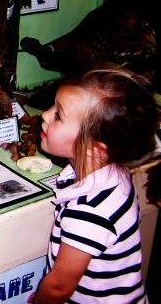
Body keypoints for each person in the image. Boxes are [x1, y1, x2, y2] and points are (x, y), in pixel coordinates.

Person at [30, 65, 160, 304]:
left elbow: (59, 287)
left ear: (93, 148)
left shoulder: (89, 210)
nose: (45, 115)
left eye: (58, 115)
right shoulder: (114, 174)